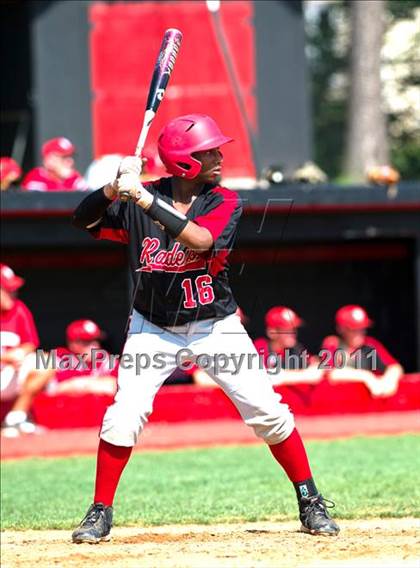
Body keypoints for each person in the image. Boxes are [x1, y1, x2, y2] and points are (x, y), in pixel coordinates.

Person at [71, 113, 339, 543]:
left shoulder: (224, 201)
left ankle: (310, 500)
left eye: (215, 149)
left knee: (267, 412)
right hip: (152, 326)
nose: (218, 156)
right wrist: (110, 189)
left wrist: (141, 199)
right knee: (122, 418)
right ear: (182, 162)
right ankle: (99, 511)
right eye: (207, 151)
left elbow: (200, 241)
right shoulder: (144, 196)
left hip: (215, 325)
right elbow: (82, 221)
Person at [0, 264, 51, 436]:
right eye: (7, 289)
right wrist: (5, 357)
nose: (12, 294)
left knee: (47, 361)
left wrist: (21, 353)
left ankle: (15, 418)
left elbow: (30, 343)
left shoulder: (18, 309)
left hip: (9, 374)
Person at [321, 305, 404, 397]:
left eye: (362, 329)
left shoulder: (370, 344)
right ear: (341, 329)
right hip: (340, 401)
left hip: (370, 405)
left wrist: (390, 380)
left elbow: (395, 367)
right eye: (353, 329)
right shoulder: (332, 344)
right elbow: (331, 373)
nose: (359, 333)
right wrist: (367, 377)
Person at [254, 306, 323, 385]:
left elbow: (316, 369)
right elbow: (265, 377)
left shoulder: (296, 348)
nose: (293, 334)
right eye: (286, 330)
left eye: (293, 329)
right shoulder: (260, 346)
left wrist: (286, 376)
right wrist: (303, 375)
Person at [48, 319, 117, 395]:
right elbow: (52, 389)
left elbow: (111, 387)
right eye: (87, 342)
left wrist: (76, 384)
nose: (94, 346)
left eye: (96, 341)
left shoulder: (104, 359)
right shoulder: (59, 356)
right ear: (72, 343)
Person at [22, 137, 87, 191]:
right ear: (49, 160)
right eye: (64, 157)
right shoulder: (37, 177)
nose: (71, 161)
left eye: (71, 156)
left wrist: (69, 179)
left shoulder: (73, 177)